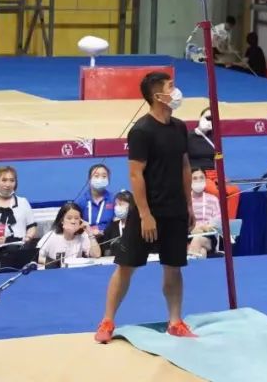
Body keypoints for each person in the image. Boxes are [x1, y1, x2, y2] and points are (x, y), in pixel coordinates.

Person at [95, 71, 196, 342]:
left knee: (173, 267)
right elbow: (135, 175)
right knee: (126, 266)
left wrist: (188, 205)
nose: (176, 91)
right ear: (158, 95)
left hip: (175, 209)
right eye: (171, 87)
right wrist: (146, 214)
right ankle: (107, 321)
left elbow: (185, 167)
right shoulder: (141, 131)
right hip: (147, 211)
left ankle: (175, 321)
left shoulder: (179, 127)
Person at [37, 202, 101, 268]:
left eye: (76, 218)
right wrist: (52, 263)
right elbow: (35, 256)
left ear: (81, 221)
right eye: (69, 218)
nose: (73, 222)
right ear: (62, 221)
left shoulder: (83, 236)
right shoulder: (51, 236)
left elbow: (96, 255)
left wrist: (90, 233)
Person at [187, 169, 222, 259]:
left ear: (205, 180)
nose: (198, 180)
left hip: (209, 238)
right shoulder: (185, 201)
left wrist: (203, 228)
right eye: (195, 178)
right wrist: (192, 229)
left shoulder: (213, 200)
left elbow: (218, 222)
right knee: (202, 252)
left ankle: (190, 265)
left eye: (201, 178)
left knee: (197, 239)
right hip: (188, 236)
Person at [74, 164, 115, 237]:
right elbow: (74, 224)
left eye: (104, 176)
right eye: (96, 176)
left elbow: (119, 223)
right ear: (89, 179)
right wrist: (88, 232)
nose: (100, 179)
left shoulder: (114, 199)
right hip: (85, 239)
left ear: (108, 180)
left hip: (109, 239)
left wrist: (103, 232)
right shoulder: (80, 201)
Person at [100, 190, 133, 257]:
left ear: (130, 206)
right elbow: (106, 251)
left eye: (120, 204)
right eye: (116, 205)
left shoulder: (139, 226)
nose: (117, 207)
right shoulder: (111, 227)